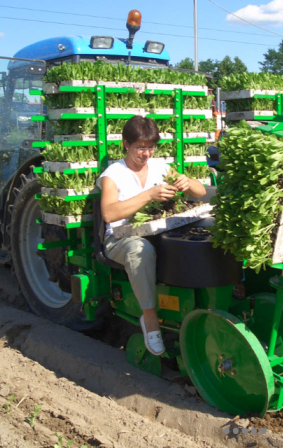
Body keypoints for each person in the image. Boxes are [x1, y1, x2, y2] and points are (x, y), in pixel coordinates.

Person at [96, 116, 206, 355]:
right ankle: (150, 319)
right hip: (121, 238)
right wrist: (148, 195)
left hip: (156, 232)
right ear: (126, 144)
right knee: (140, 250)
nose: (146, 154)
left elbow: (201, 191)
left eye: (150, 148)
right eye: (140, 148)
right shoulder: (113, 174)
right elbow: (109, 213)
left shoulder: (160, 167)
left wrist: (188, 182)